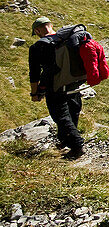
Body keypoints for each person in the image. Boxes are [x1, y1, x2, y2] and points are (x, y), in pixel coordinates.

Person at [27, 16, 84, 159]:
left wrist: (35, 93)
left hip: (55, 86)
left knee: (61, 116)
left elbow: (34, 73)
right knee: (73, 111)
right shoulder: (67, 39)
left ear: (38, 30)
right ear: (51, 26)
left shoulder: (37, 47)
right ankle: (65, 140)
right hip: (74, 81)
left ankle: (77, 146)